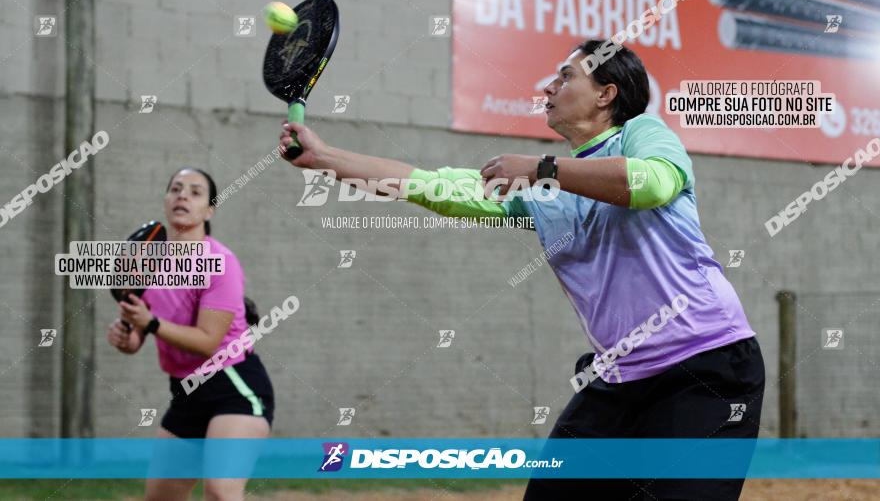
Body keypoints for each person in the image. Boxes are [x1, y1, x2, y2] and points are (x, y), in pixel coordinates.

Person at [279, 39, 765, 500]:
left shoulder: (642, 133)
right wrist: (324, 157)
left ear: (606, 94)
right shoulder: (543, 192)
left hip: (706, 370)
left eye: (565, 76)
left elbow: (652, 185)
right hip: (617, 381)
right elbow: (434, 187)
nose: (548, 88)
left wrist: (544, 167)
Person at [107, 167, 274, 501]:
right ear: (166, 200)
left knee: (221, 492)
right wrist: (129, 338)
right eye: (176, 189)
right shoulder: (149, 262)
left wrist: (150, 323)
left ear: (209, 210)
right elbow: (142, 333)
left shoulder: (221, 262)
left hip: (233, 387)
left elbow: (207, 341)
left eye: (195, 192)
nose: (182, 195)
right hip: (185, 392)